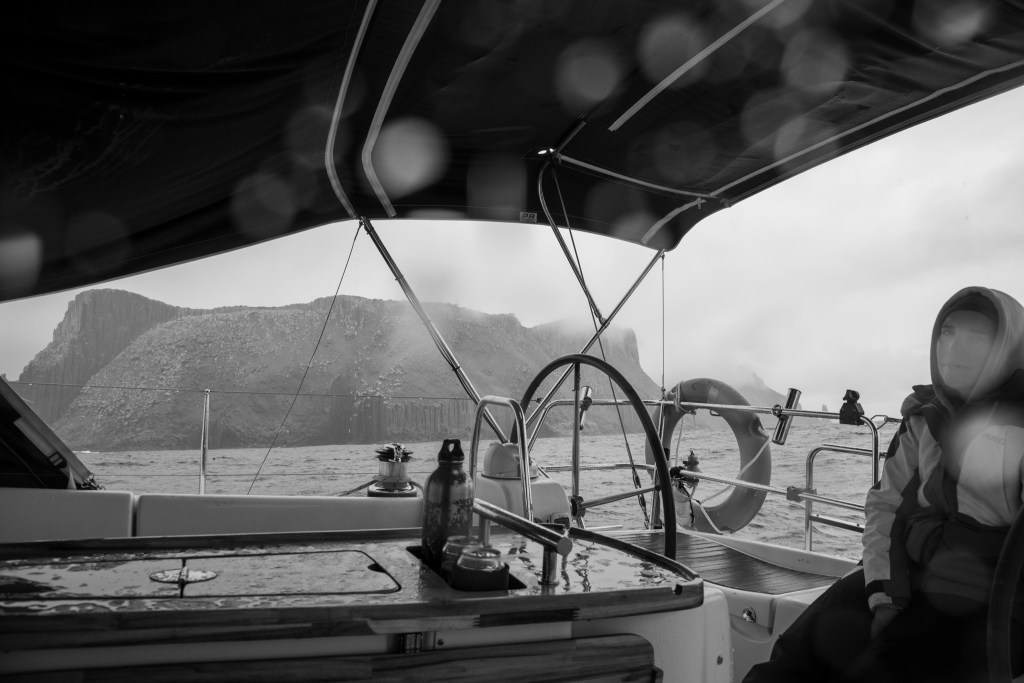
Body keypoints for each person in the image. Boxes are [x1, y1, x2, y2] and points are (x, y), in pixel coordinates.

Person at [744, 286, 1024, 683]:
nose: (954, 348)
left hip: (994, 603)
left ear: (1007, 347)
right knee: (798, 653)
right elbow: (885, 507)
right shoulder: (924, 418)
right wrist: (885, 594)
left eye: (976, 336)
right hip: (915, 574)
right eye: (947, 332)